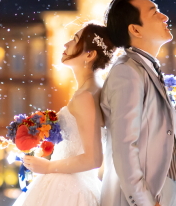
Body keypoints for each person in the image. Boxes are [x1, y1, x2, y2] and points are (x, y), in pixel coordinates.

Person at [15, 22, 115, 206]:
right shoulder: (95, 90)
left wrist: (48, 166)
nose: (65, 44)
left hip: (68, 188)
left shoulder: (86, 95)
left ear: (90, 54)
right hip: (78, 184)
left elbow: (93, 158)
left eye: (75, 39)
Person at [100, 0, 176, 206]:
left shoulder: (146, 70)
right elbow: (124, 145)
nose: (165, 17)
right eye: (154, 12)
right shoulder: (126, 72)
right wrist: (142, 201)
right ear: (135, 29)